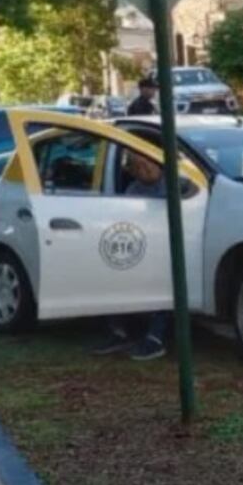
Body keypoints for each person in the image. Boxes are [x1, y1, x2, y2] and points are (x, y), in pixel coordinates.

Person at [92, 151, 169, 360]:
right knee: (113, 272)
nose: (143, 170)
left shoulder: (174, 184)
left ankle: (155, 338)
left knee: (160, 279)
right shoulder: (133, 190)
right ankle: (118, 333)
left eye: (147, 163)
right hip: (140, 245)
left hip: (164, 249)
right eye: (137, 167)